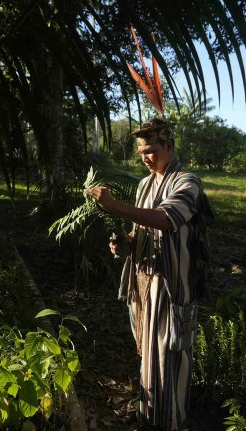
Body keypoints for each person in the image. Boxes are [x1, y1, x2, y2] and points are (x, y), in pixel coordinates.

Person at [87, 118, 206, 431]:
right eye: (141, 151)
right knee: (148, 355)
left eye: (152, 150)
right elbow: (139, 231)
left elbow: (167, 219)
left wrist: (114, 206)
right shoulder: (144, 185)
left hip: (171, 285)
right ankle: (149, 415)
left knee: (171, 354)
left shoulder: (187, 182)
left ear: (169, 146)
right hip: (142, 283)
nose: (145, 157)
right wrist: (124, 243)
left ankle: (173, 420)